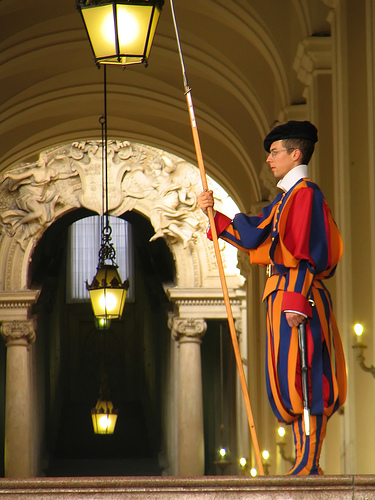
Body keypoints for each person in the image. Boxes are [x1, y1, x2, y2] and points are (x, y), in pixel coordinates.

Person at [198, 120, 347, 475]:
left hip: (299, 295)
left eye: (274, 152)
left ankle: (310, 462)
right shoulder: (287, 199)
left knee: (308, 376)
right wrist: (213, 214)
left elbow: (308, 250)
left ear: (295, 154)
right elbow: (257, 235)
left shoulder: (306, 194)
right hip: (283, 296)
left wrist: (296, 298)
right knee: (287, 379)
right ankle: (302, 458)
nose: (268, 159)